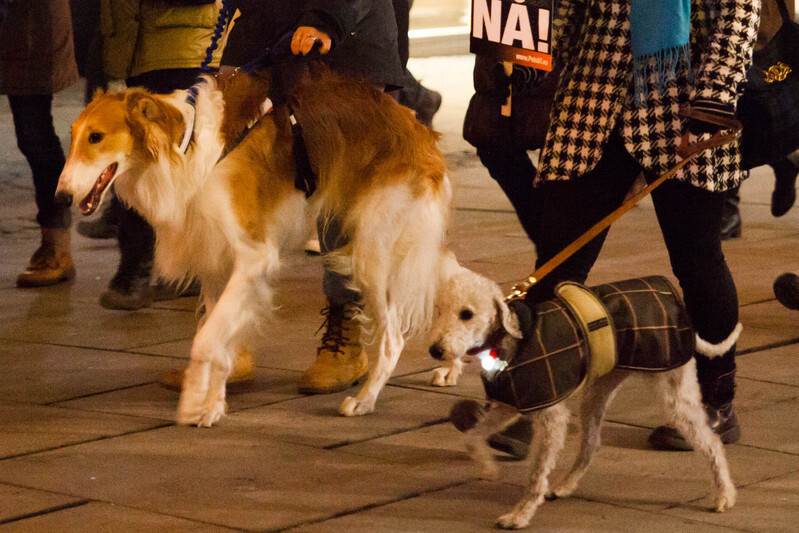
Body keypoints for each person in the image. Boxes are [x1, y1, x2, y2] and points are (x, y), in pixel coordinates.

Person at [454, 0, 759, 453]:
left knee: (697, 260)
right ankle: (523, 401)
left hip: (684, 99)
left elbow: (740, 13)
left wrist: (714, 98)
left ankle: (716, 401)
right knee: (557, 264)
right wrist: (528, 62)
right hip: (593, 96)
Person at [218, 1, 404, 395]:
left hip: (346, 43)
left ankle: (346, 334)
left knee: (339, 197)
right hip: (275, 40)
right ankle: (230, 340)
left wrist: (325, 21)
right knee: (240, 188)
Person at [96, 0, 222, 310]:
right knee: (135, 164)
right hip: (133, 46)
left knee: (177, 166)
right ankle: (145, 268)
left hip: (183, 49)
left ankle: (151, 269)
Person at [1, 0, 80, 288]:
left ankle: (57, 247)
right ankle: (53, 245)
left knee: (35, 137)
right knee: (33, 136)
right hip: (18, 31)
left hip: (31, 32)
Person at [720, 0, 798, 240]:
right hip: (748, 22)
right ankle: (781, 160)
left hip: (752, 24)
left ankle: (727, 210)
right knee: (741, 112)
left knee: (732, 111)